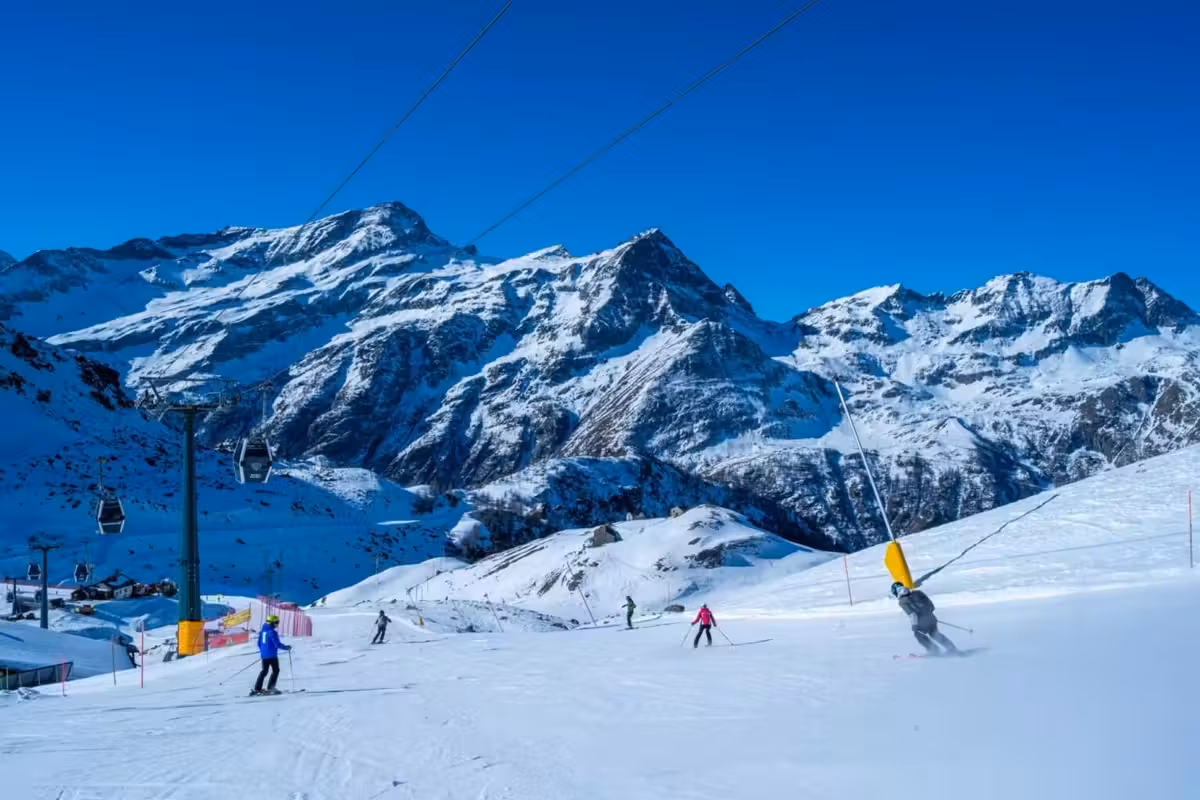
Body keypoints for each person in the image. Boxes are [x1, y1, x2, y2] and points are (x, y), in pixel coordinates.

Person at [891, 582, 957, 655]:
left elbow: (912, 614)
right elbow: (931, 606)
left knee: (918, 635)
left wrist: (914, 626)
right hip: (932, 618)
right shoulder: (918, 593)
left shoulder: (902, 602)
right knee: (934, 634)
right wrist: (928, 615)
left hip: (921, 622)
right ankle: (951, 648)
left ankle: (934, 651)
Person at [252, 614, 292, 695]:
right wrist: (286, 647)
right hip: (272, 656)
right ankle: (271, 687)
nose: (277, 624)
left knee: (264, 671)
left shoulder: (263, 631)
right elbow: (277, 644)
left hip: (264, 655)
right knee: (276, 670)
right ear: (272, 623)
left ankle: (257, 688)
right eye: (276, 622)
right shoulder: (272, 632)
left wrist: (264, 651)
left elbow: (259, 643)